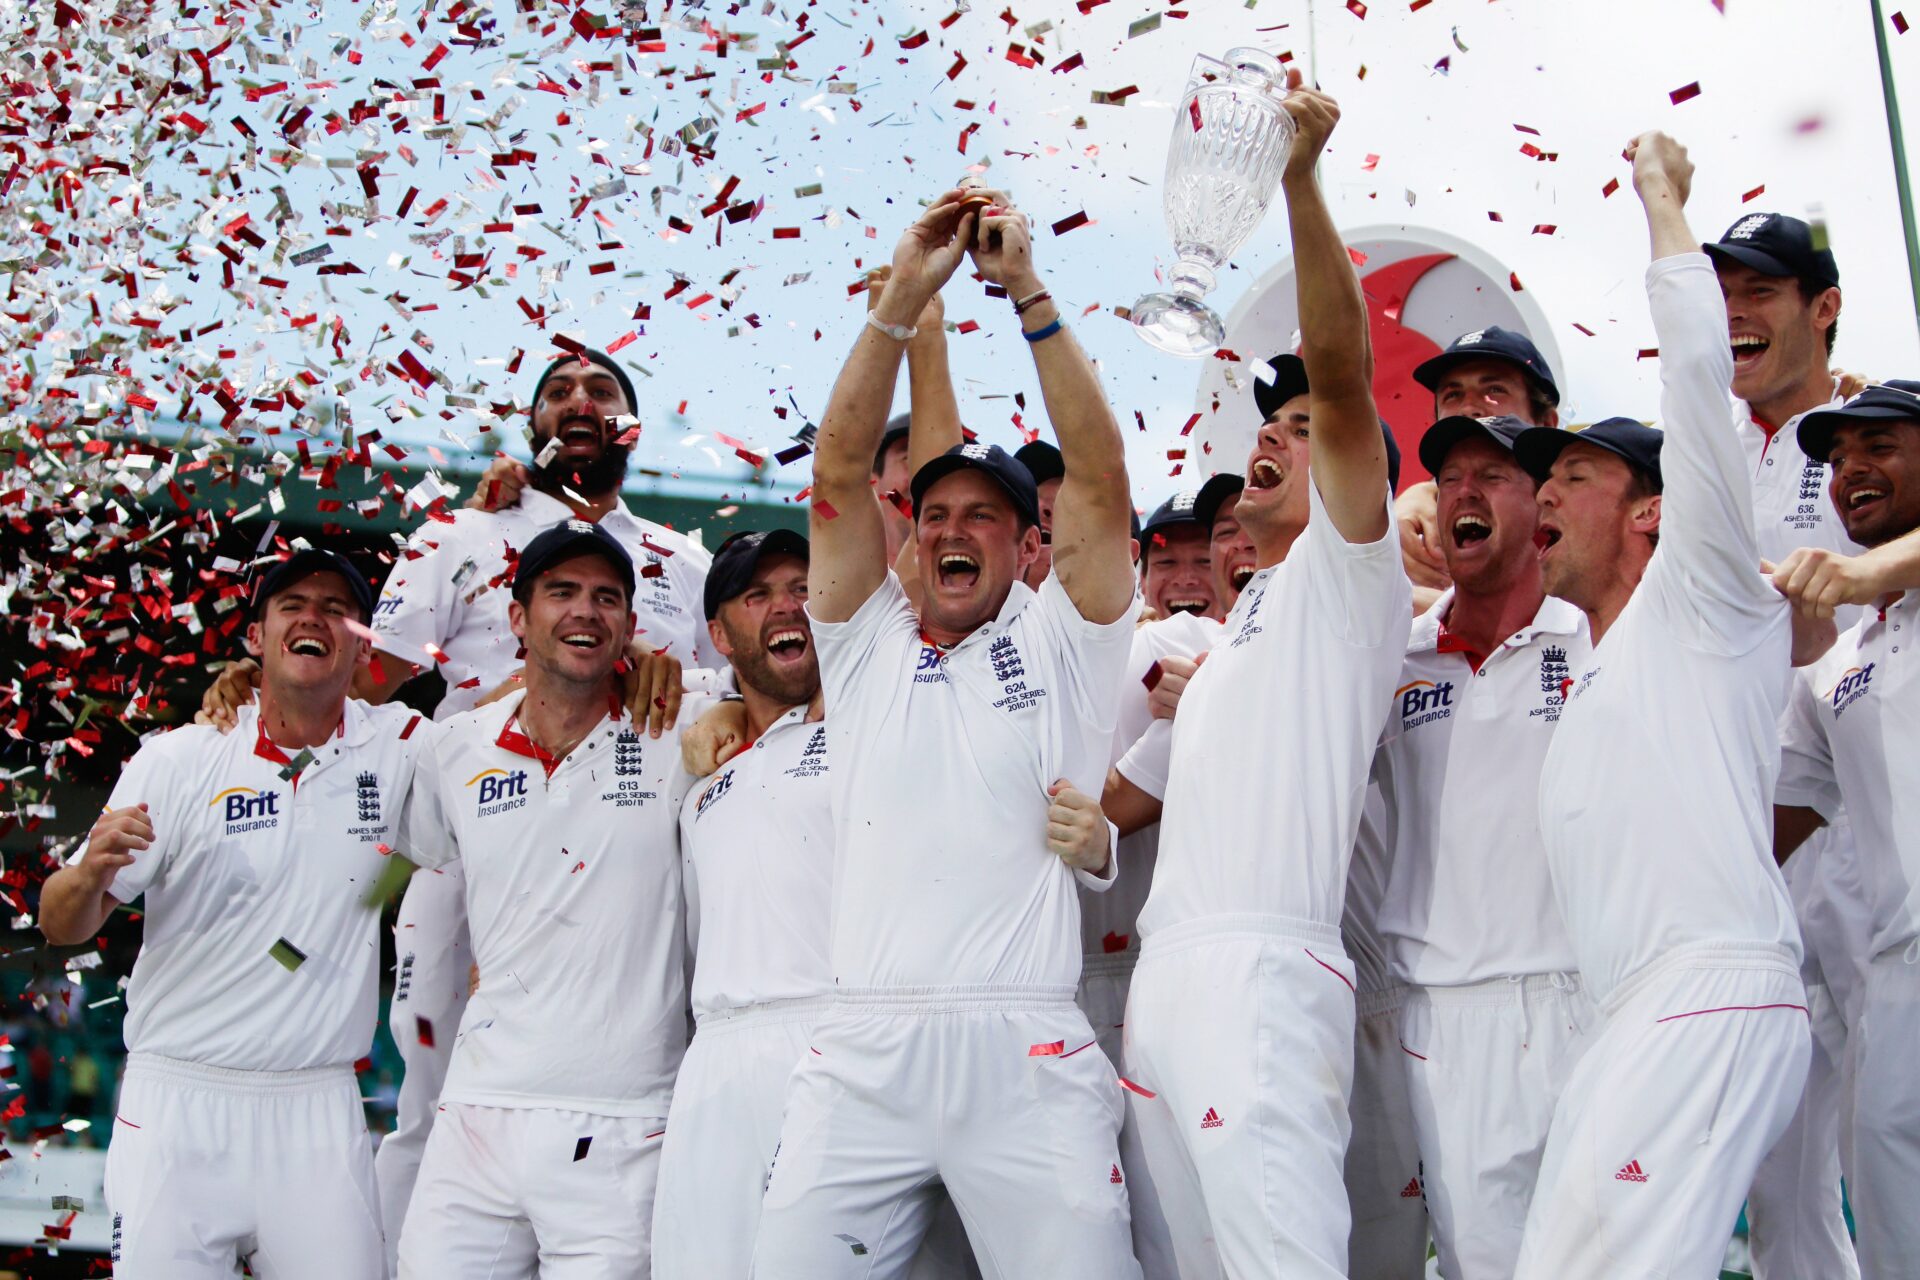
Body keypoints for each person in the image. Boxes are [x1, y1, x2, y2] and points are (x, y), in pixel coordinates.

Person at [195, 347, 698, 1271]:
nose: (578, 403)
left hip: (627, 841)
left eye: (602, 391)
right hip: (463, 837)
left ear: (632, 424)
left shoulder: (680, 558)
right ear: (532, 424)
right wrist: (266, 682)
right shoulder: (461, 535)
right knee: (431, 1077)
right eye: (556, 393)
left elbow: (738, 686)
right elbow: (375, 672)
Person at [750, 185, 1142, 1275]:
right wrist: (901, 298)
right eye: (934, 516)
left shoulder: (1067, 640)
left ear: (1027, 546)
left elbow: (1103, 479)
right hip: (860, 1051)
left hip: (1025, 1048)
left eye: (982, 514)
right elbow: (836, 472)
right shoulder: (864, 640)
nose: (952, 530)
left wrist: (1026, 291)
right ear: (911, 540)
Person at [1119, 77, 1412, 1278]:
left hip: (1263, 975)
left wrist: (1297, 179)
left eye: (1302, 432)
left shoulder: (1352, 579)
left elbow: (1343, 377)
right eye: (1268, 421)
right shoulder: (1233, 629)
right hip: (1165, 975)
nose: (1276, 432)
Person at [1509, 133, 1811, 1278]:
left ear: (1651, 513)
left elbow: (1696, 382)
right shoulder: (1594, 661)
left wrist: (1664, 210)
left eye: (1573, 476)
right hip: (1637, 1017)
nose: (1544, 493)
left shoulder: (1705, 595)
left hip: (1704, 992)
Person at [41, 549, 428, 1277]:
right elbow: (63, 923)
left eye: (334, 607)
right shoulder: (180, 758)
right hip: (178, 1105)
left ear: (362, 644)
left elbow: (522, 710)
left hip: (316, 1109)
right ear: (256, 638)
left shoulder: (402, 746)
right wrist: (88, 872)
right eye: (291, 604)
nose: (312, 616)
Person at [395, 520, 696, 1277]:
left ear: (631, 625)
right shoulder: (455, 748)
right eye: (561, 592)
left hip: (627, 1119)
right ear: (517, 618)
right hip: (477, 1110)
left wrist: (707, 697)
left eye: (606, 598)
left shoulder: (683, 726)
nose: (585, 612)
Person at [1369, 413, 1594, 1279]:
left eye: (1491, 475)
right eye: (1450, 475)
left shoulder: (1597, 633)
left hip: (1591, 994)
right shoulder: (1396, 657)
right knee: (1483, 1262)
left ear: (1542, 506)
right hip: (1449, 1012)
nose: (1464, 490)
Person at [1704, 209, 1864, 1280]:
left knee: (1864, 1156)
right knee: (1767, 1183)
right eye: (1724, 290)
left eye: (1762, 289)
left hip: (1854, 840)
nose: (1735, 311)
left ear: (1825, 309)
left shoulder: (1881, 445)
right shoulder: (1694, 460)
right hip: (1727, 843)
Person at [1775, 380, 1920, 1280]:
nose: (1849, 472)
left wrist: (1871, 571)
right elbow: (1772, 828)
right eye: (1834, 460)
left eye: (1880, 446)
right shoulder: (1834, 667)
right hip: (1896, 979)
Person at [1396, 327, 1562, 606]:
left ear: (1546, 423)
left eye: (1494, 390)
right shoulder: (1412, 528)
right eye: (1453, 395)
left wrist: (1436, 609)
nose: (1469, 408)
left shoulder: (1588, 528)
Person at [1136, 489, 1220, 623]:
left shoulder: (1264, 641)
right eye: (1166, 562)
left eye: (1205, 561)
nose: (1185, 579)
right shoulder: (1121, 643)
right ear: (1143, 581)